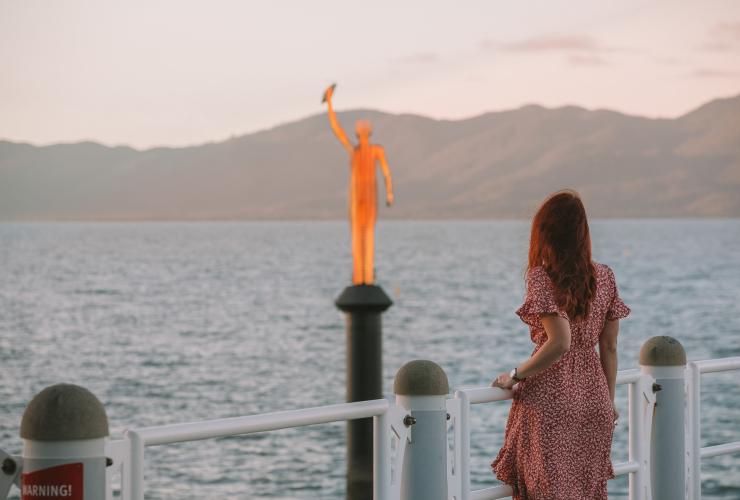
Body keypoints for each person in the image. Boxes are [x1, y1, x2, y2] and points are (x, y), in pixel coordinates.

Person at [490, 189, 630, 499]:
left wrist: (514, 375)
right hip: (595, 399)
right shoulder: (604, 276)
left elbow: (560, 342)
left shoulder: (542, 276)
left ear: (546, 232)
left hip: (553, 399)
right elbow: (609, 347)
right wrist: (608, 399)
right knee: (585, 492)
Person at [322, 84, 394, 285]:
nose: (362, 131)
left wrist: (390, 193)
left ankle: (367, 277)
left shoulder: (376, 151)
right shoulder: (354, 151)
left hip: (370, 197)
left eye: (365, 129)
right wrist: (329, 104)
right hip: (357, 197)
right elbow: (337, 130)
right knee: (357, 237)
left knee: (368, 236)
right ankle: (358, 276)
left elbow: (386, 172)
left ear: (368, 132)